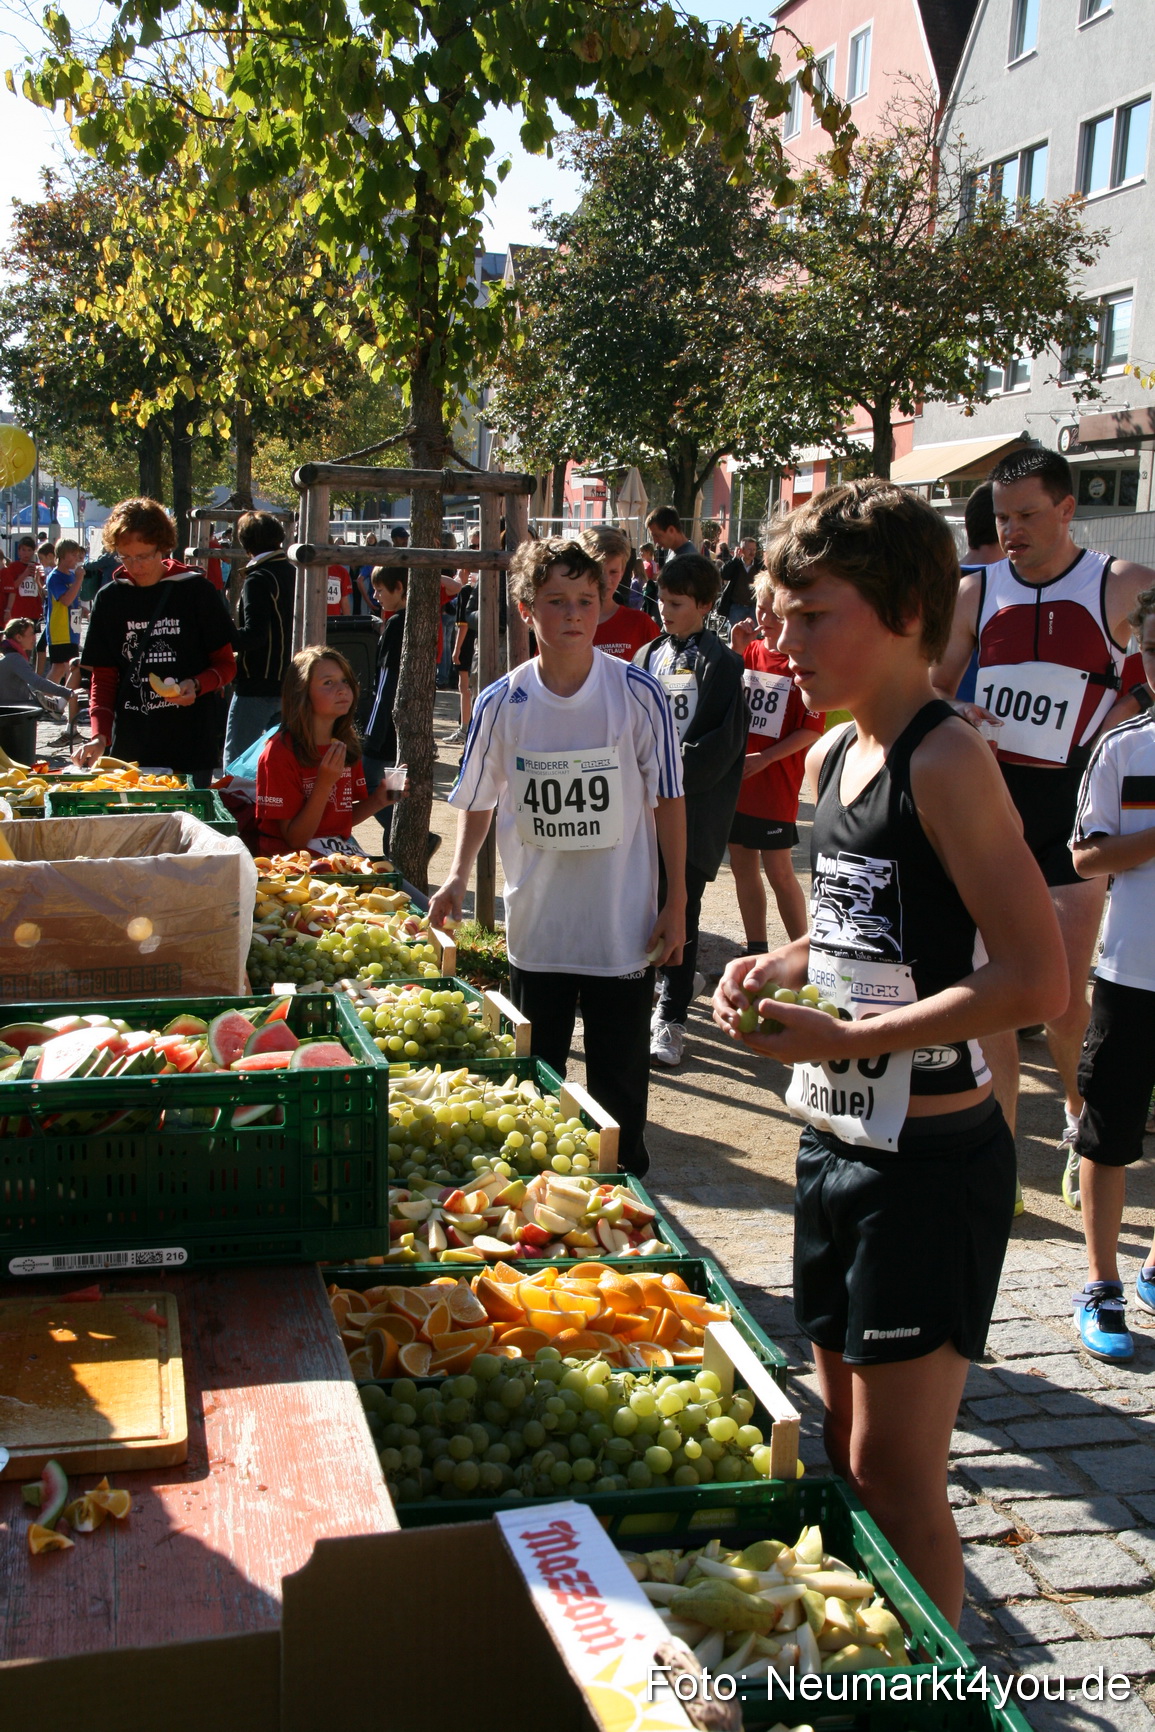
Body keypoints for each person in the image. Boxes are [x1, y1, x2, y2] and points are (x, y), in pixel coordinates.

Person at [714, 479, 1066, 1624]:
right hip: (835, 1143)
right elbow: (871, 928)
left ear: (908, 611)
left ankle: (946, 1696)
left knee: (907, 1487)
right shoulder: (830, 758)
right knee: (849, 1463)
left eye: (813, 614)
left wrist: (852, 1033)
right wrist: (780, 966)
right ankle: (892, 1676)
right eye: (777, 613)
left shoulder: (946, 757)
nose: (783, 639)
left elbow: (1033, 976)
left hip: (932, 1169)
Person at [931, 447, 1155, 1203]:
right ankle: (994, 1156)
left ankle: (1077, 1114)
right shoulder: (975, 590)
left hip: (1073, 812)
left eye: (1027, 514)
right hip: (992, 808)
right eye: (1001, 516)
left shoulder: (1119, 585)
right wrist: (955, 708)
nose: (1013, 529)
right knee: (992, 983)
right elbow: (934, 686)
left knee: (1056, 996)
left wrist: (1124, 711)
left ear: (1065, 510)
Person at [428, 535, 687, 1178]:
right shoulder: (499, 702)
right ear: (525, 608)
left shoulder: (637, 695)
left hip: (620, 932)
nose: (572, 613)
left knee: (620, 1095)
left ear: (603, 603)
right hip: (539, 931)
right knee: (534, 1088)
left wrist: (676, 899)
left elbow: (671, 801)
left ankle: (625, 1208)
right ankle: (538, 1205)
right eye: (555, 600)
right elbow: (480, 799)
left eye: (585, 599)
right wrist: (458, 876)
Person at [1068, 586, 1155, 1362]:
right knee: (1107, 1136)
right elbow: (1086, 855)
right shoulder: (1124, 747)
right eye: (1154, 652)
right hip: (1131, 975)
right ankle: (1099, 1284)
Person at [633, 553, 746, 1068]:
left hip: (693, 811)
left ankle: (672, 1016)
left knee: (683, 907)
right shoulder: (647, 654)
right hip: (641, 809)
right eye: (660, 598)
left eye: (676, 603)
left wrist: (666, 776)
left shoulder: (723, 665)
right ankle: (660, 989)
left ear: (704, 605)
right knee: (643, 902)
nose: (664, 609)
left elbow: (720, 747)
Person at [74, 497, 236, 785]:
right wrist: (99, 736)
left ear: (163, 547)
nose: (135, 566)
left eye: (144, 556)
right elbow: (104, 677)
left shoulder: (196, 591)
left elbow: (225, 665)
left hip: (192, 743)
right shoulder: (110, 599)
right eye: (125, 556)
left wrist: (198, 684)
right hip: (132, 749)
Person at [728, 574, 825, 949]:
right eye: (760, 610)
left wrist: (766, 758)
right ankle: (757, 948)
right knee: (741, 866)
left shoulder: (801, 662)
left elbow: (811, 730)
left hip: (775, 783)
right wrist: (735, 654)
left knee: (779, 870)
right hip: (739, 780)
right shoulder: (749, 652)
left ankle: (805, 951)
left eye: (775, 613)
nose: (764, 619)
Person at [255, 646, 402, 857]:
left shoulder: (345, 744)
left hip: (335, 856)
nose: (342, 689)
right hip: (293, 866)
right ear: (301, 692)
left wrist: (380, 799)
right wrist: (324, 783)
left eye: (345, 681)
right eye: (328, 683)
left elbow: (337, 822)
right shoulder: (279, 752)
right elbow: (295, 839)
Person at [224, 511, 296, 764]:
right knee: (282, 764)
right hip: (291, 683)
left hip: (256, 683)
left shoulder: (258, 578)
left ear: (244, 543)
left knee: (236, 764)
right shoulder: (296, 572)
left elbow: (255, 635)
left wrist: (220, 638)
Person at [363, 568, 408, 853]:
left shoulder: (396, 625)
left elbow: (386, 685)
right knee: (394, 790)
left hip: (385, 728)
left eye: (380, 590)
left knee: (369, 784)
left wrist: (372, 732)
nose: (375, 596)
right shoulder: (410, 621)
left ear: (399, 588)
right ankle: (394, 849)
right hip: (400, 726)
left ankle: (401, 837)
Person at [583, 527, 660, 662]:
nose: (606, 580)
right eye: (598, 571)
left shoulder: (641, 625)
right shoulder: (565, 624)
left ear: (623, 571)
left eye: (613, 572)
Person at [43, 539, 85, 735]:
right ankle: (45, 702)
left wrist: (86, 612)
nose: (76, 558)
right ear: (63, 555)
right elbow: (66, 600)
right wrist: (78, 579)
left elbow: (74, 602)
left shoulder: (70, 575)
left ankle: (61, 710)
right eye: (73, 554)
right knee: (61, 668)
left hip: (73, 630)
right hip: (60, 631)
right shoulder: (56, 577)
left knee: (69, 669)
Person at [0, 617, 71, 711]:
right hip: (12, 709)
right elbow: (37, 682)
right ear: (18, 637)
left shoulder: (9, 654)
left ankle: (54, 705)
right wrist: (67, 692)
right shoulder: (15, 658)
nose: (34, 638)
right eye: (31, 634)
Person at [445, 566, 479, 744]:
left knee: (464, 686)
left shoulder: (467, 591)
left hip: (467, 643)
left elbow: (462, 624)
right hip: (477, 641)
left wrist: (456, 649)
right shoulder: (481, 589)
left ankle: (465, 728)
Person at [717, 537, 763, 626]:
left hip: (753, 607)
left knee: (753, 636)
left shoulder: (759, 566)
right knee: (735, 634)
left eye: (754, 549)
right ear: (742, 550)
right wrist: (735, 559)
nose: (752, 552)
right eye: (749, 549)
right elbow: (723, 574)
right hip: (737, 607)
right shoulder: (736, 564)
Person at [0, 536, 43, 629]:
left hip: (34, 610)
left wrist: (38, 578)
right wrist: (25, 574)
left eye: (29, 550)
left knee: (31, 638)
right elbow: (11, 587)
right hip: (18, 611)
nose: (26, 553)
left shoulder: (38, 567)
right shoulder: (13, 567)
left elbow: (42, 589)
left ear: (33, 552)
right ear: (18, 551)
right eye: (23, 550)